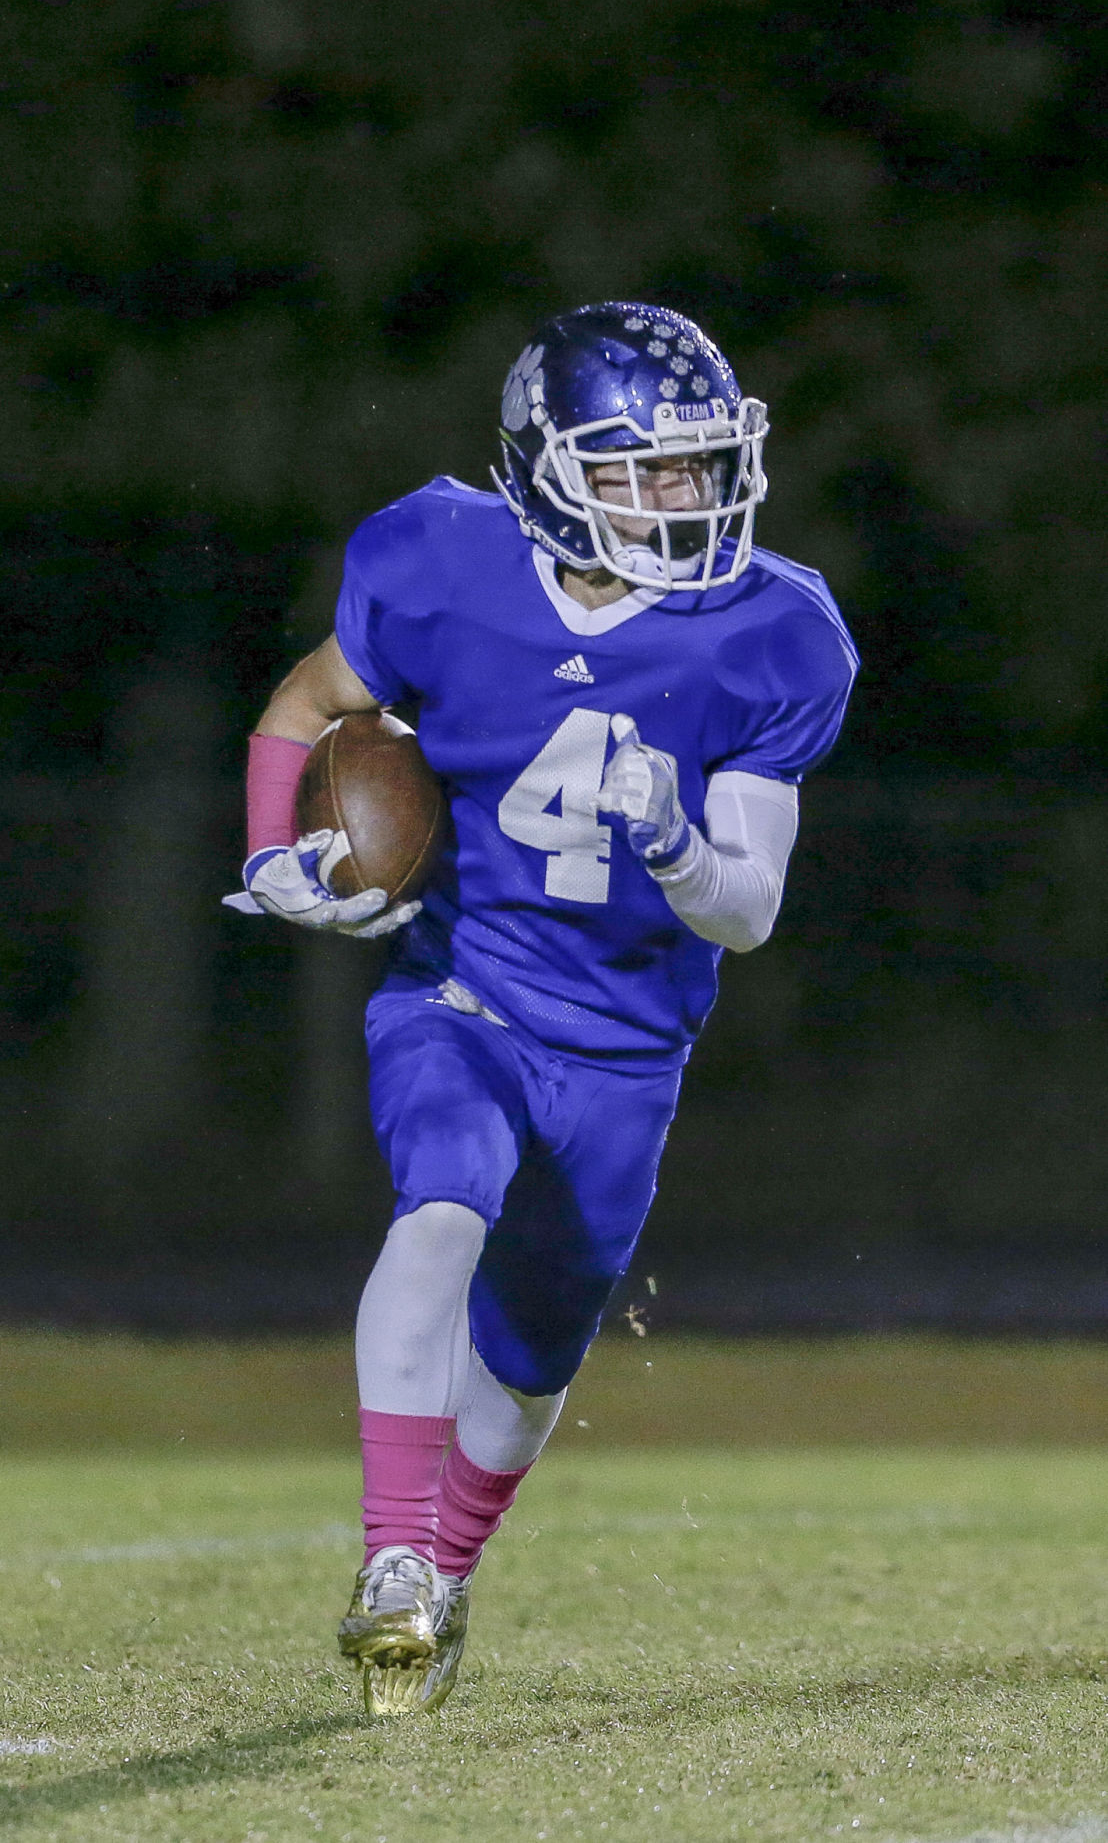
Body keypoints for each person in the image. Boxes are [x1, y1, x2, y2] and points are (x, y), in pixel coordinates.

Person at [227, 300, 858, 1718]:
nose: (686, 498)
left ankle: (446, 1576)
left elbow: (746, 913)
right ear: (550, 467)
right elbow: (303, 704)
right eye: (647, 469)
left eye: (701, 466)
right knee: (440, 1206)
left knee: (527, 1362)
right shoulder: (441, 558)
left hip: (629, 1048)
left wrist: (680, 843)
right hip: (463, 989)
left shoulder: (774, 632)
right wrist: (273, 856)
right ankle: (391, 1555)